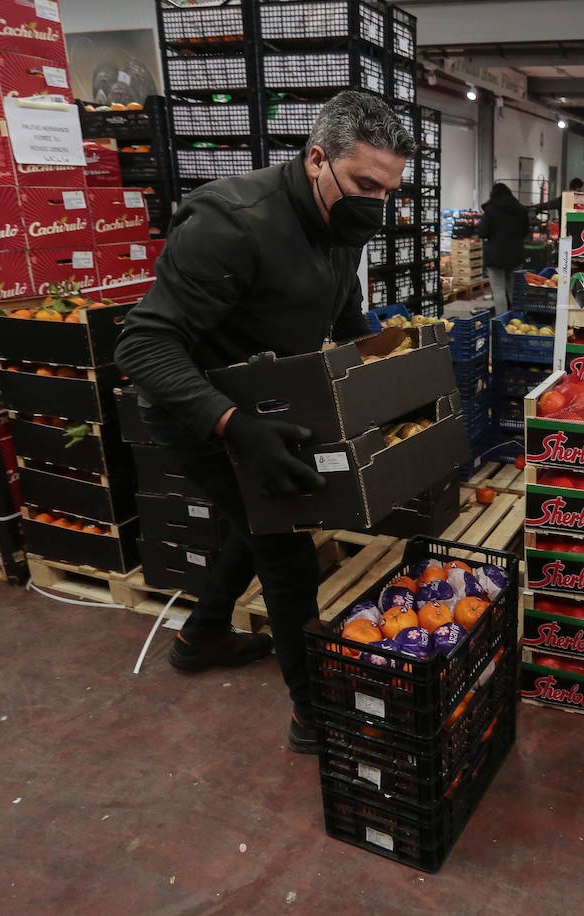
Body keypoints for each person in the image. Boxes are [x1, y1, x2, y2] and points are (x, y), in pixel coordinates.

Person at [114, 92, 416, 754]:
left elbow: (346, 316)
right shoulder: (234, 223)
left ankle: (201, 638)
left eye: (389, 190)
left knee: (247, 523)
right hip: (196, 411)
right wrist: (235, 427)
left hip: (265, 404)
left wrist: (386, 384)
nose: (377, 202)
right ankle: (317, 717)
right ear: (317, 160)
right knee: (282, 545)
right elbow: (142, 347)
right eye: (366, 183)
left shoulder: (338, 227)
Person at [477, 183, 530, 314]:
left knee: (499, 290)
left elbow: (482, 233)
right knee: (514, 290)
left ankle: (502, 322)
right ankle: (517, 320)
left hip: (496, 256)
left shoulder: (491, 210)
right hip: (516, 255)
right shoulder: (521, 209)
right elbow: (526, 231)